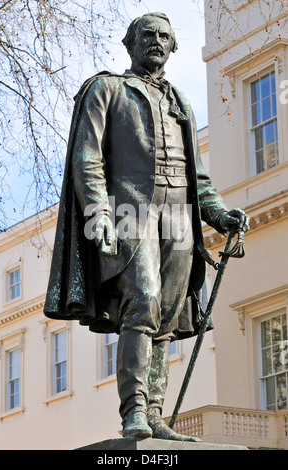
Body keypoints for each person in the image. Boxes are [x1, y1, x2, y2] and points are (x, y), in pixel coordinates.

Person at [44, 12, 249, 441]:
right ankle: (134, 410)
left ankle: (155, 415)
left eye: (164, 37)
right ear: (130, 44)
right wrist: (97, 210)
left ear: (173, 47)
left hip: (178, 216)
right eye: (148, 35)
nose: (156, 42)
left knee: (168, 316)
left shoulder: (181, 102)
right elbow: (88, 159)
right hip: (130, 211)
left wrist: (220, 214)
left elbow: (200, 179)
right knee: (144, 298)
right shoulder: (108, 89)